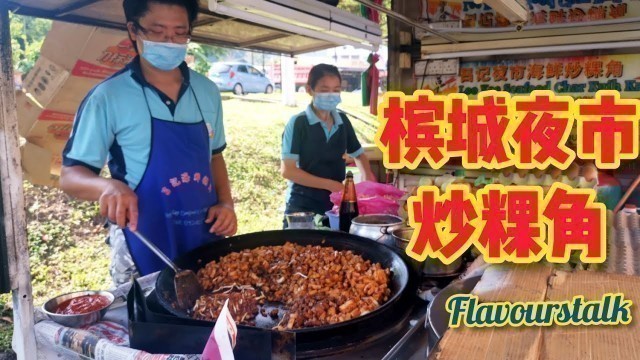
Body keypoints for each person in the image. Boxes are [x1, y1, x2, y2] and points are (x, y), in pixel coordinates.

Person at [60, 0, 237, 286]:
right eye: (157, 32)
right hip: (141, 239)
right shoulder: (108, 97)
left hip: (203, 233)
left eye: (180, 33)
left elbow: (214, 156)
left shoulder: (207, 91)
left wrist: (226, 203)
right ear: (133, 30)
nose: (170, 42)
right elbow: (70, 176)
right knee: (150, 322)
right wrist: (108, 186)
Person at [280, 64, 376, 227]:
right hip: (302, 207)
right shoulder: (298, 123)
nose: (331, 95)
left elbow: (358, 154)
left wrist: (367, 181)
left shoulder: (343, 122)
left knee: (333, 249)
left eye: (336, 89)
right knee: (298, 250)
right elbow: (288, 170)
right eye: (325, 90)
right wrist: (331, 185)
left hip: (334, 207)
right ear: (309, 90)